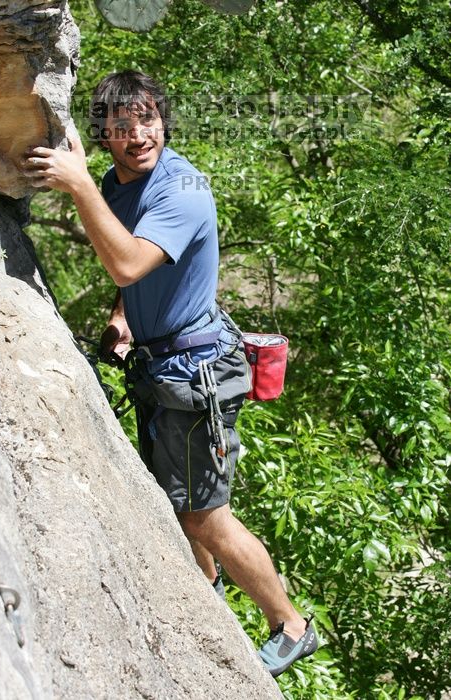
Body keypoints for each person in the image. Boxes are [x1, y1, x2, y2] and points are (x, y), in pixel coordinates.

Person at [22, 70, 318, 677]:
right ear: (103, 136)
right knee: (173, 499)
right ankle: (203, 594)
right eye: (122, 126)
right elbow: (135, 265)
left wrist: (78, 187)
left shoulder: (180, 189)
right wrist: (122, 317)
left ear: (165, 121)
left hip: (198, 374)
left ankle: (290, 625)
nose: (138, 136)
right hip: (165, 366)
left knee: (205, 512)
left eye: (148, 121)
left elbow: (129, 262)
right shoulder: (120, 181)